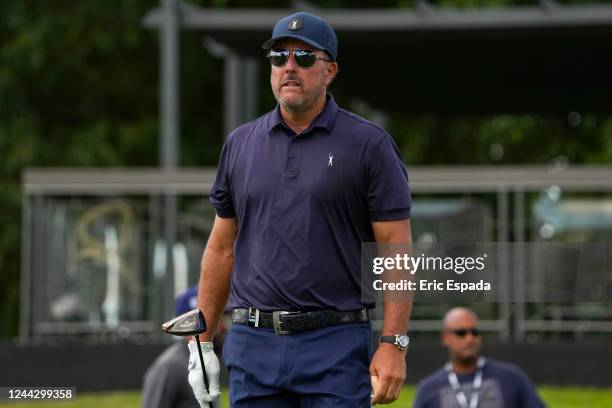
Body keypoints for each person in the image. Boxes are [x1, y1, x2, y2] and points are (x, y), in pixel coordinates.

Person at [188, 11, 413, 408]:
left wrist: (394, 343)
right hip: (253, 344)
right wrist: (202, 342)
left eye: (304, 57)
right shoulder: (240, 144)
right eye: (279, 57)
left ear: (330, 71)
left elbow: (395, 248)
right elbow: (222, 247)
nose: (289, 67)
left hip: (336, 344)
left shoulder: (369, 145)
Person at [413, 307, 546, 408]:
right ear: (445, 338)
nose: (470, 338)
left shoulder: (511, 378)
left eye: (475, 332)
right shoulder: (429, 389)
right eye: (461, 333)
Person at [142, 286, 226, 408]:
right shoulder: (170, 366)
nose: (223, 327)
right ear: (190, 323)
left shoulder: (205, 360)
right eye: (216, 319)